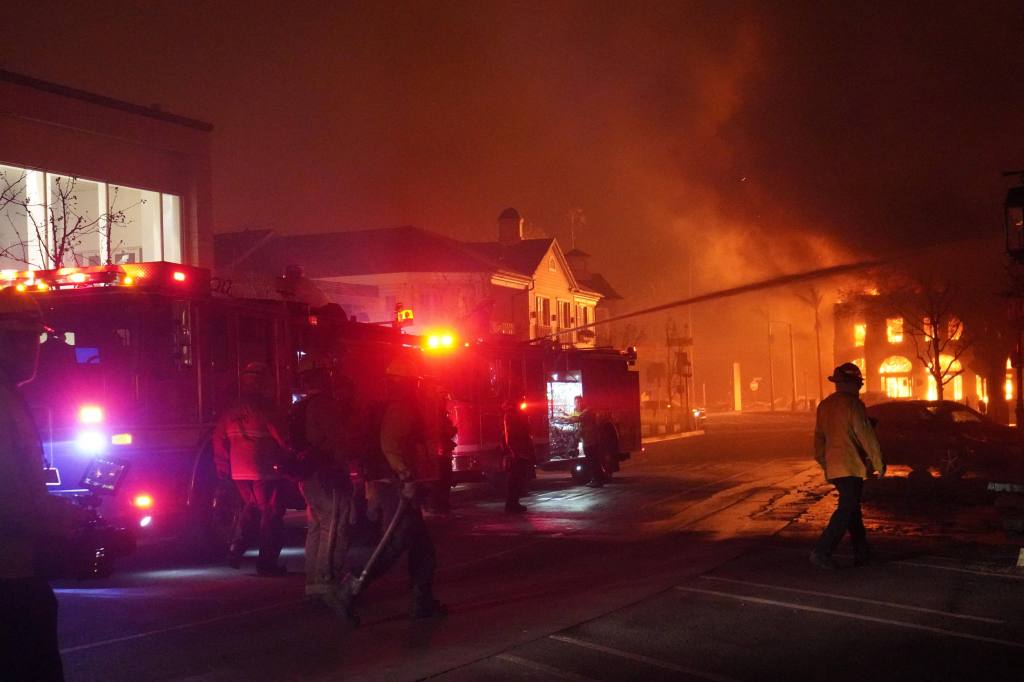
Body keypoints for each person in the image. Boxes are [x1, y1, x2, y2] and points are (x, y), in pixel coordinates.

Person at [0, 289, 89, 681]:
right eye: (28, 338)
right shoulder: (5, 404)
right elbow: (13, 499)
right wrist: (63, 518)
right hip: (11, 576)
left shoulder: (10, 397)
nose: (34, 348)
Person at [329, 357, 446, 623]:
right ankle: (349, 589)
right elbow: (390, 445)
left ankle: (422, 601)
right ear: (408, 383)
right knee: (393, 544)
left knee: (422, 548)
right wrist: (406, 477)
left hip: (390, 483)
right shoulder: (401, 409)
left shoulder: (388, 407)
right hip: (396, 486)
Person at [213, 362, 291, 576]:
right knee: (271, 514)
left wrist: (223, 469)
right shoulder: (267, 407)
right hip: (264, 469)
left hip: (239, 472)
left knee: (252, 509)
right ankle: (267, 563)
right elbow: (282, 436)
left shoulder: (231, 409)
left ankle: (235, 550)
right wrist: (294, 455)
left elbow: (218, 439)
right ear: (262, 383)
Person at [811, 362, 886, 569]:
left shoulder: (824, 405)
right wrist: (879, 463)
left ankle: (862, 554)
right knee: (847, 509)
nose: (859, 387)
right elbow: (866, 435)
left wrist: (825, 463)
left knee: (852, 509)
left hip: (835, 468)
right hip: (851, 466)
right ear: (853, 383)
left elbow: (819, 440)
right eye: (858, 383)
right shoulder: (854, 405)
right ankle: (822, 551)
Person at [292, 368, 354, 604]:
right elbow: (337, 440)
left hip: (307, 475)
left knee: (317, 524)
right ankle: (327, 578)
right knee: (334, 524)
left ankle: (313, 580)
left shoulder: (301, 407)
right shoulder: (327, 406)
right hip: (328, 473)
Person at [502, 399, 535, 513]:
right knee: (515, 480)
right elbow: (510, 435)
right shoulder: (511, 416)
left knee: (518, 479)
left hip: (521, 452)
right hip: (518, 453)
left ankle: (514, 503)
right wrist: (514, 452)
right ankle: (511, 504)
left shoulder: (515, 416)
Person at [571, 395, 605, 488]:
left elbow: (579, 419)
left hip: (591, 441)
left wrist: (565, 418)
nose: (578, 404)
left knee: (593, 461)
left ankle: (597, 480)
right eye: (576, 402)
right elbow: (582, 427)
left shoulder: (587, 411)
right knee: (593, 461)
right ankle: (597, 480)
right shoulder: (586, 412)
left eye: (579, 402)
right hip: (589, 441)